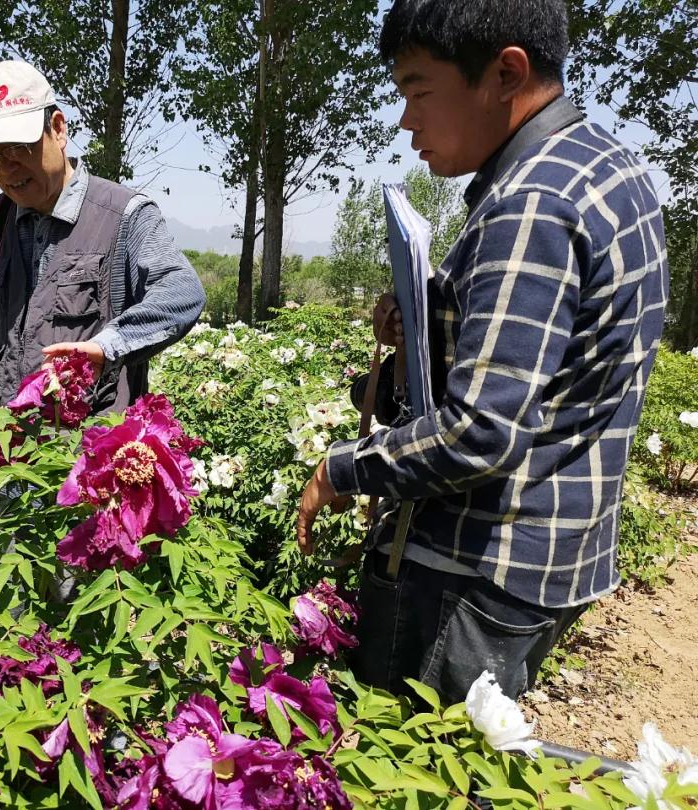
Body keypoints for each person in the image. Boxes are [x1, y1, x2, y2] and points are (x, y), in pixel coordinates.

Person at [296, 0, 668, 704]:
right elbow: (558, 366)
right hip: (554, 551)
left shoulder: (532, 202)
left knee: (407, 751)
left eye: (417, 91)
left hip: (473, 568)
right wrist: (431, 322)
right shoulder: (607, 167)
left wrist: (343, 467)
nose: (406, 121)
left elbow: (479, 433)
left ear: (505, 73)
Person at [0, 60, 205, 412]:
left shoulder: (124, 214)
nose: (7, 168)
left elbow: (182, 292)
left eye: (17, 148)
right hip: (7, 434)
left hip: (91, 438)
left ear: (58, 129)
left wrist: (109, 346)